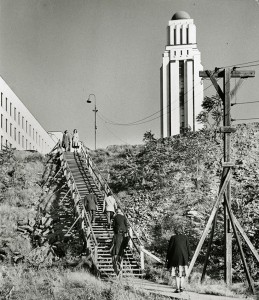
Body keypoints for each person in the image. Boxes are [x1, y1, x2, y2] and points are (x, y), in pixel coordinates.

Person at [166, 225, 191, 293]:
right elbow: (188, 249)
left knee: (177, 274)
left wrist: (168, 258)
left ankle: (177, 289)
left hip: (175, 259)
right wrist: (189, 257)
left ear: (175, 231)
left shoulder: (173, 238)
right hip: (184, 259)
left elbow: (170, 249)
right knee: (182, 274)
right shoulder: (185, 237)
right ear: (182, 230)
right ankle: (181, 287)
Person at [110, 208, 129, 276]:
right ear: (120, 212)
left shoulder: (115, 217)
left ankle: (117, 271)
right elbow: (126, 225)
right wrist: (126, 231)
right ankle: (120, 271)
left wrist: (114, 231)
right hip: (123, 232)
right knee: (120, 261)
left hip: (115, 251)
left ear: (116, 212)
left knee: (114, 262)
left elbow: (113, 225)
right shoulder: (124, 217)